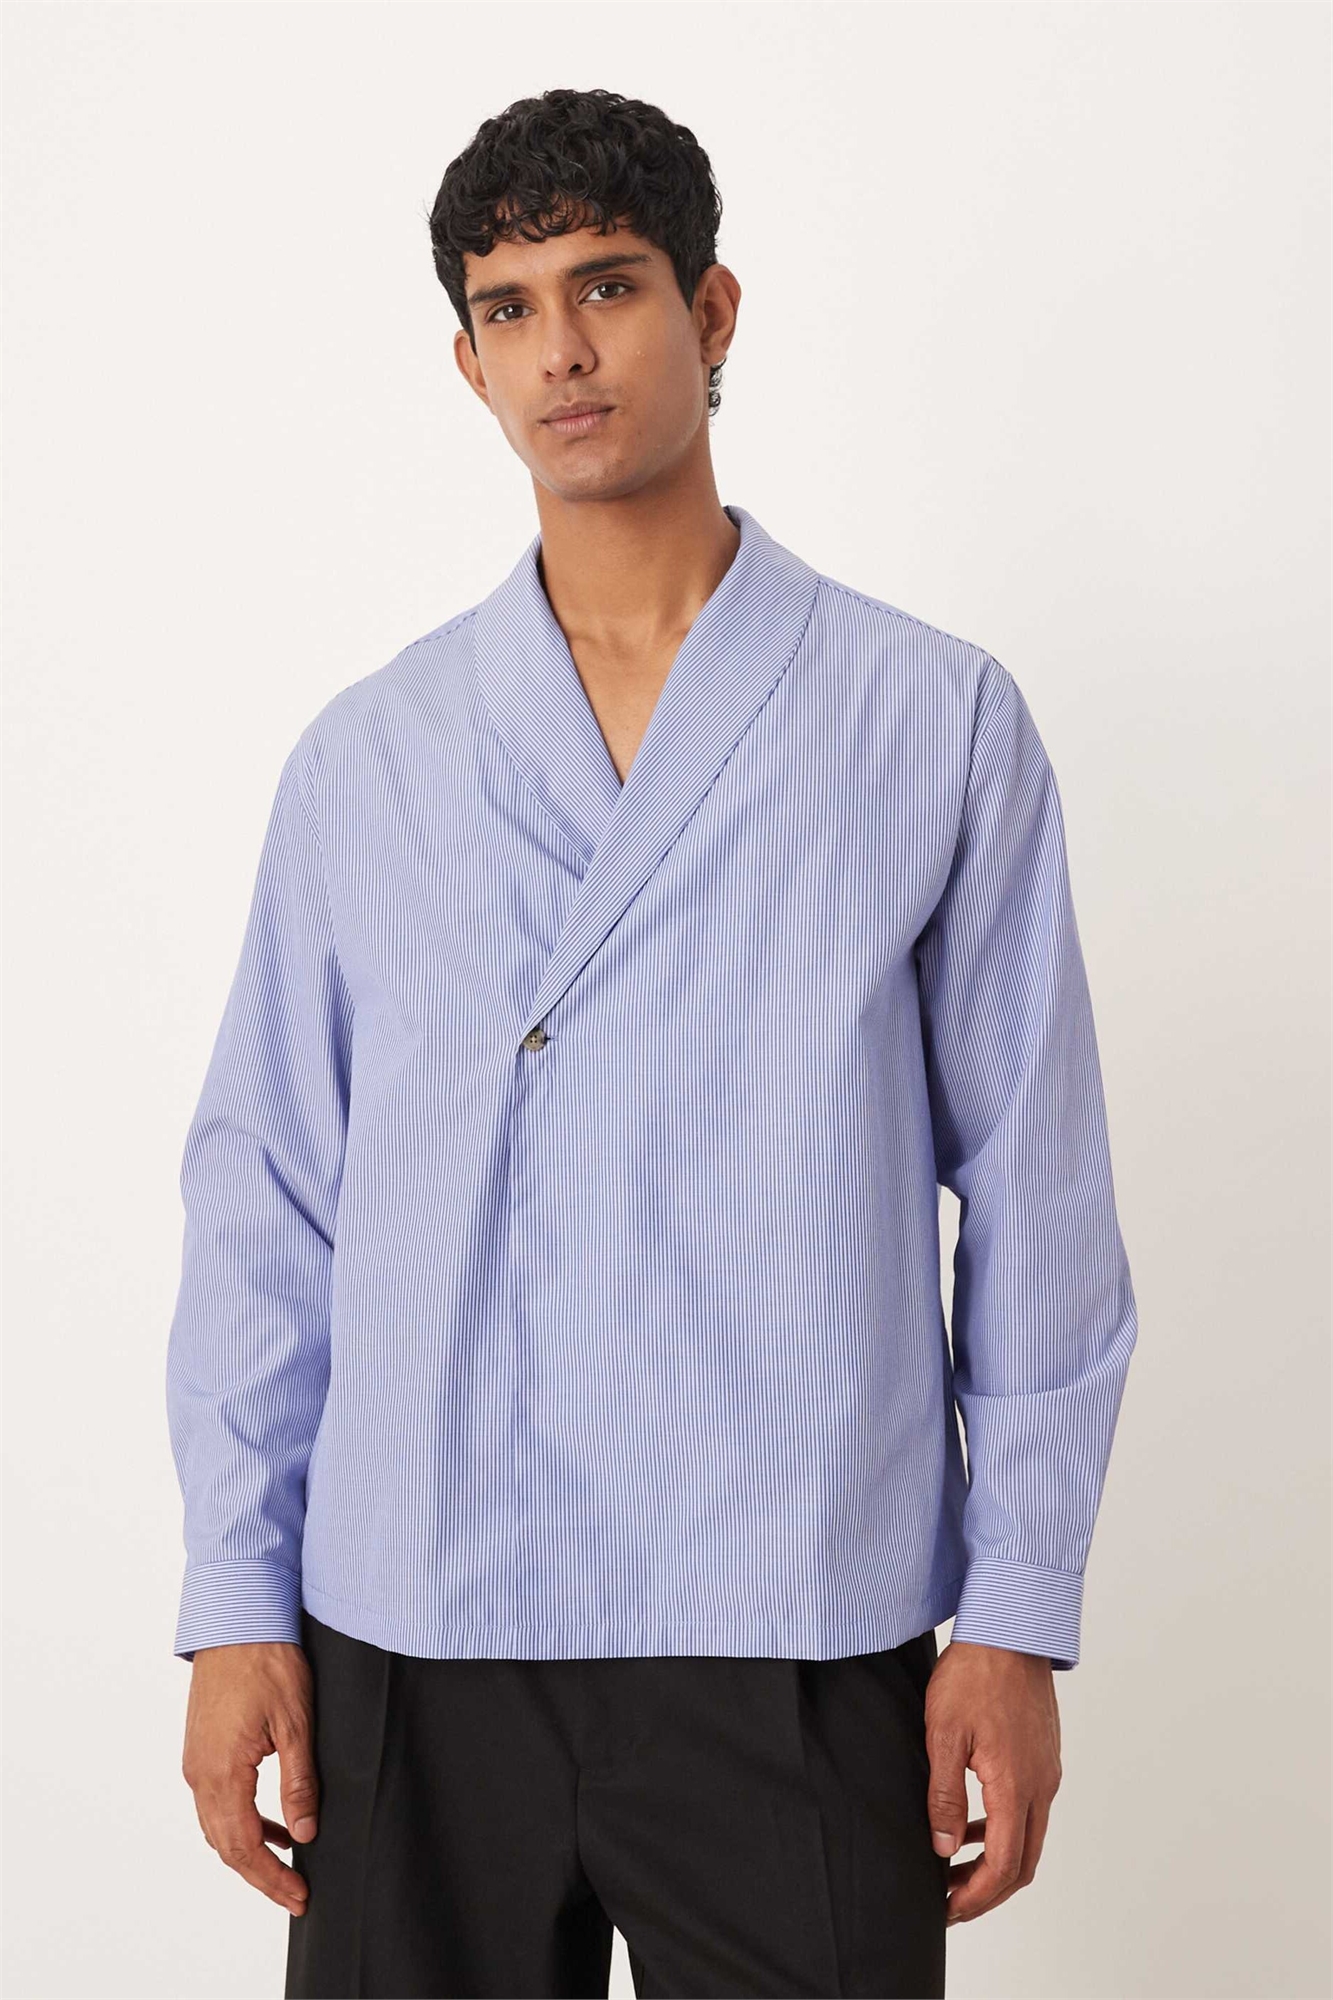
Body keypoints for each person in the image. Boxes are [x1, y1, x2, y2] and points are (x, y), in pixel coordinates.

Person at [166, 85, 1139, 2000]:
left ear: (712, 310)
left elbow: (1038, 1197)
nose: (563, 350)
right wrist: (230, 1596)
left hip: (791, 1609)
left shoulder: (925, 722)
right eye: (509, 308)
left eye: (606, 287)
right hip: (418, 1608)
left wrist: (1017, 1613)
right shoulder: (371, 755)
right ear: (466, 361)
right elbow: (264, 1196)